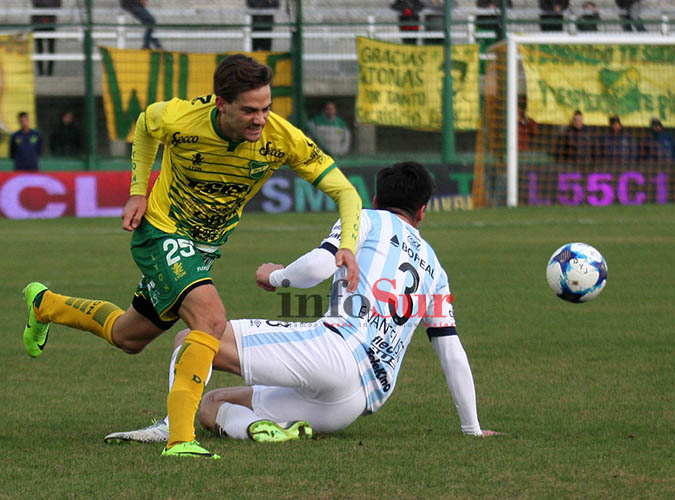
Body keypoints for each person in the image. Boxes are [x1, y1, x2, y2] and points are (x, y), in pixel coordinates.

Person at [21, 54, 361, 460]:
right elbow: (146, 124)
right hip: (160, 231)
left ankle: (45, 305)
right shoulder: (181, 118)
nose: (260, 119)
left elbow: (346, 192)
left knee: (128, 336)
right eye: (249, 110)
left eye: (266, 108)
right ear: (222, 104)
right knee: (211, 320)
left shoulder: (283, 138)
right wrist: (138, 191)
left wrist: (347, 245)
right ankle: (180, 438)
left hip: (202, 250)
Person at [102, 161, 500, 446]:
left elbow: (317, 267)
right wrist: (472, 428)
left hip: (335, 351)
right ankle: (257, 430)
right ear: (423, 211)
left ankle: (171, 428)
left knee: (194, 337)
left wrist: (275, 276)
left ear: (376, 197)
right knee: (212, 405)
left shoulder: (365, 218)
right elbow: (451, 351)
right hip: (355, 401)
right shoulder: (435, 269)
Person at [31, 0, 61, 76]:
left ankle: (50, 72)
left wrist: (45, 6)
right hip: (38, 21)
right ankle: (40, 72)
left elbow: (57, 4)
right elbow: (36, 3)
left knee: (51, 48)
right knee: (39, 48)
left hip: (50, 22)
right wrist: (48, 6)